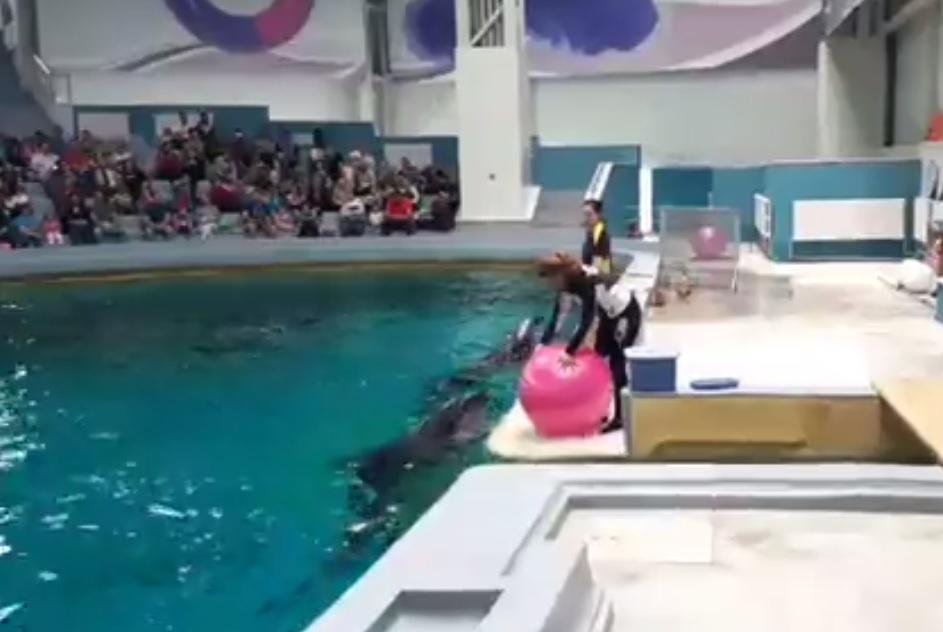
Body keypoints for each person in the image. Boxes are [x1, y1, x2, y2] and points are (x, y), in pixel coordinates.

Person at [536, 252, 642, 433]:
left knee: (617, 366)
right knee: (598, 358)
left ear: (559, 275)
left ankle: (620, 418)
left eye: (548, 278)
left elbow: (588, 318)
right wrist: (543, 344)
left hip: (625, 314)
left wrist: (570, 351)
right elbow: (559, 315)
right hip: (608, 315)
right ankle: (600, 407)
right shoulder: (566, 284)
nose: (547, 284)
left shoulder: (586, 281)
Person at [581, 200, 613, 273]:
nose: (586, 218)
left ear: (598, 214)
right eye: (585, 214)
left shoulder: (599, 231)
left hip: (598, 272)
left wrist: (591, 271)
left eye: (589, 214)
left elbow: (601, 256)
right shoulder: (593, 229)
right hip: (593, 269)